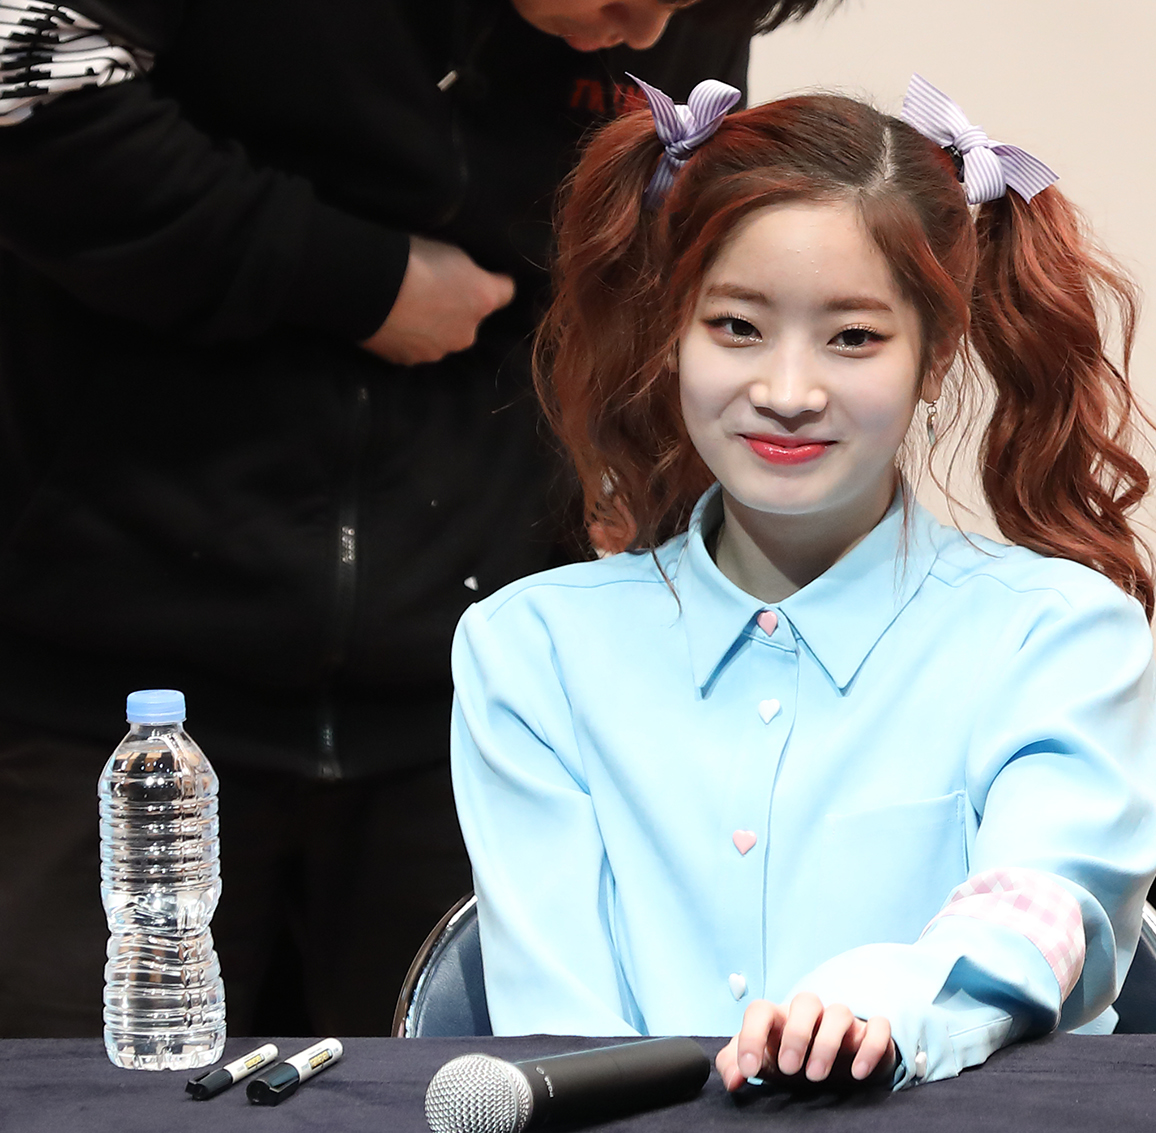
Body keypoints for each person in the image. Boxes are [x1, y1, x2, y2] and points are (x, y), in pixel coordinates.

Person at [0, 0, 832, 1038]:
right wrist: (356, 280)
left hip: (464, 701)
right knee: (86, 1087)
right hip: (115, 679)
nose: (647, 34)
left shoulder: (668, 22)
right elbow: (26, 77)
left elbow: (647, 265)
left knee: (449, 1085)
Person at [450, 74, 1156, 1090]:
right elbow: (556, 1033)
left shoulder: (1058, 635)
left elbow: (1047, 909)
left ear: (936, 359)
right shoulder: (528, 650)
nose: (786, 391)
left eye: (852, 338)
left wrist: (884, 1004)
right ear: (672, 333)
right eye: (736, 327)